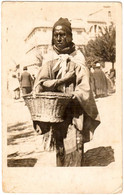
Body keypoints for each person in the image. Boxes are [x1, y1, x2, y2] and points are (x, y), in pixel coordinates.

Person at [33, 18, 100, 166]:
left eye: (63, 34)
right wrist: (60, 82)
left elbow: (85, 88)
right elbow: (41, 83)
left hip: (74, 111)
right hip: (56, 114)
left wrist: (72, 96)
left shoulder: (78, 58)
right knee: (60, 149)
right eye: (55, 35)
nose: (58, 38)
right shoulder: (49, 58)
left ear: (70, 36)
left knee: (75, 148)